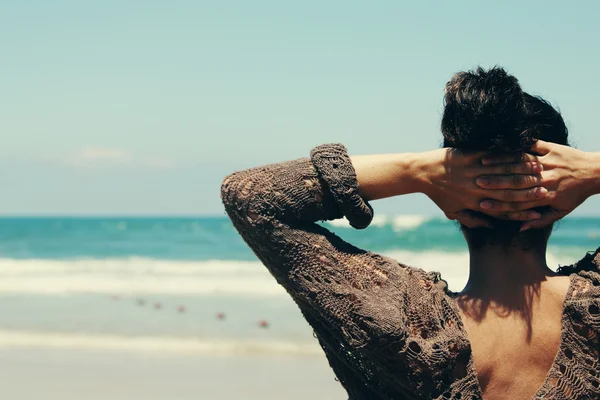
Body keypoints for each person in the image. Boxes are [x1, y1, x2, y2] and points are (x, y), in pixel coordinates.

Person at [220, 67, 600, 400]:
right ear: (561, 193)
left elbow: (251, 196)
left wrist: (420, 171)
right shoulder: (593, 310)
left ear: (452, 192)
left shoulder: (402, 325)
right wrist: (593, 171)